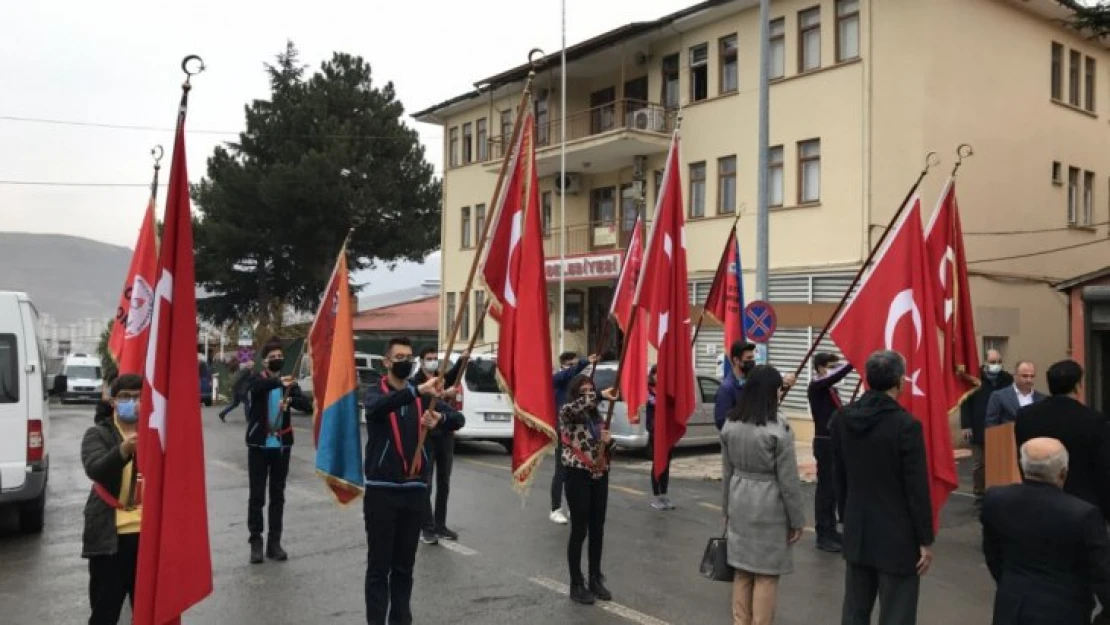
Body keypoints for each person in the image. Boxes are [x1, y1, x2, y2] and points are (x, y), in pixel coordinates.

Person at [362, 337, 465, 625]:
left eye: (409, 356)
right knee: (378, 568)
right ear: (386, 362)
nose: (405, 361)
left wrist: (439, 422)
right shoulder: (375, 392)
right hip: (382, 491)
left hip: (415, 490)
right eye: (399, 357)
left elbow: (458, 418)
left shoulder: (424, 399)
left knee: (404, 568)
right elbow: (377, 409)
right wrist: (414, 390)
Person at [833, 350, 934, 625]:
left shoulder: (842, 419)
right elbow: (916, 487)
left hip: (858, 529)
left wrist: (846, 517)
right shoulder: (906, 426)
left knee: (855, 610)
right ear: (899, 381)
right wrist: (925, 538)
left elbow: (837, 478)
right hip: (897, 536)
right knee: (897, 613)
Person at [981, 437, 1110, 625]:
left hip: (1011, 605)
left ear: (1022, 467)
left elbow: (992, 554)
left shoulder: (995, 499)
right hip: (1064, 611)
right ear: (1063, 473)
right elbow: (1102, 573)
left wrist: (1011, 583)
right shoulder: (1083, 515)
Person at [721, 365, 806, 625]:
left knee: (743, 571)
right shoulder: (778, 428)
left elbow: (726, 472)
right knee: (767, 575)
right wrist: (797, 519)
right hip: (769, 504)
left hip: (738, 497)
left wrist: (726, 509)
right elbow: (789, 481)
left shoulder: (730, 423)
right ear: (771, 392)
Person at [81, 373, 144, 625]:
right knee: (105, 612)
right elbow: (95, 468)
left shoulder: (154, 432)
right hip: (110, 538)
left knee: (148, 613)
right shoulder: (97, 434)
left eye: (138, 397)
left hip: (146, 536)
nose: (132, 402)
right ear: (114, 402)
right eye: (125, 397)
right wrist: (123, 450)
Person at [1015, 359, 1110, 520]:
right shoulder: (1093, 420)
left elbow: (1023, 459)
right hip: (1081, 505)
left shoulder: (1025, 416)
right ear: (1077, 386)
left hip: (1036, 503)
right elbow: (1103, 469)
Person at [244, 339, 312, 564]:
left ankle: (274, 543)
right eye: (272, 357)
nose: (277, 360)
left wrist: (289, 399)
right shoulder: (256, 379)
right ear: (264, 361)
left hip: (282, 446)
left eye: (279, 357)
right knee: (257, 496)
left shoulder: (289, 383)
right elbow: (255, 389)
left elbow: (307, 406)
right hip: (259, 445)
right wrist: (277, 383)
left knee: (277, 495)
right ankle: (256, 541)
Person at [558, 374, 618, 605]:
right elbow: (575, 408)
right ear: (575, 393)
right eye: (583, 391)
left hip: (599, 475)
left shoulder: (597, 416)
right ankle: (576, 583)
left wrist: (609, 441)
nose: (587, 394)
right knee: (579, 530)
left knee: (597, 529)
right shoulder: (568, 412)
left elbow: (606, 447)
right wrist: (600, 394)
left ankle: (595, 577)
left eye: (590, 389)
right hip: (577, 474)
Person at [411, 346, 466, 545]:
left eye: (435, 358)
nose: (433, 361)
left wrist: (462, 360)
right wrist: (443, 395)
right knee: (426, 483)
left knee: (444, 482)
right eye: (429, 358)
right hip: (425, 437)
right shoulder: (416, 382)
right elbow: (425, 400)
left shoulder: (440, 376)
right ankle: (427, 527)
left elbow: (452, 377)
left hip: (444, 435)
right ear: (421, 360)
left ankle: (440, 525)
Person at [807, 352, 853, 553]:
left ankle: (832, 530)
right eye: (831, 366)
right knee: (826, 491)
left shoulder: (831, 390)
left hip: (836, 442)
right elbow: (836, 376)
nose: (836, 369)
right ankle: (823, 535)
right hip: (824, 443)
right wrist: (853, 363)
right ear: (820, 368)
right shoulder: (817, 386)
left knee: (835, 490)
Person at [959, 350, 1012, 507]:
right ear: (985, 362)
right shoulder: (976, 379)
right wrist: (966, 425)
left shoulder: (1007, 379)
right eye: (993, 362)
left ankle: (998, 492)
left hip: (1001, 426)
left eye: (998, 361)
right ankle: (980, 495)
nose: (996, 365)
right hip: (978, 425)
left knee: (1000, 461)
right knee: (980, 463)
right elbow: (965, 402)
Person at [550, 351, 597, 525]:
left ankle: (573, 505)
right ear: (563, 365)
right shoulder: (559, 378)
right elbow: (566, 375)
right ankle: (555, 508)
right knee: (561, 471)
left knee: (577, 471)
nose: (573, 368)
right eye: (570, 365)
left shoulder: (577, 382)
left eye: (574, 365)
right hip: (563, 431)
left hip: (581, 433)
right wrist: (584, 362)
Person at [715, 341, 795, 431]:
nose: (752, 362)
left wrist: (784, 383)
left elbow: (768, 392)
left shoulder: (755, 380)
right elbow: (721, 422)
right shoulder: (727, 388)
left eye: (753, 358)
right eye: (748, 358)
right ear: (736, 360)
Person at [645, 365, 675, 511]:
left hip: (667, 431)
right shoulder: (649, 390)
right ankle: (656, 496)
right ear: (652, 375)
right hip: (655, 431)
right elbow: (654, 403)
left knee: (667, 464)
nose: (659, 377)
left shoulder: (666, 390)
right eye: (657, 374)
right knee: (658, 463)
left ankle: (664, 494)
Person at [985, 360, 1043, 426]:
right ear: (1015, 376)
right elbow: (991, 425)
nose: (1029, 380)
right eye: (1025, 376)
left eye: (1032, 376)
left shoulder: (1042, 399)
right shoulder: (999, 396)